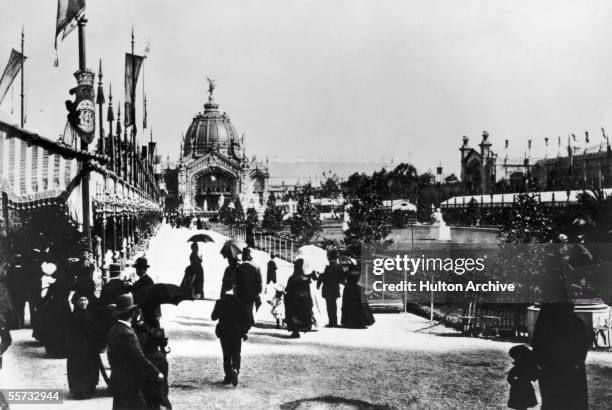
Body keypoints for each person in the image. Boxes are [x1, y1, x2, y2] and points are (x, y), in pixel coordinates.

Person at [107, 293, 164, 410]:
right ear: (132, 314)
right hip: (130, 381)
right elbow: (138, 357)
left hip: (119, 378)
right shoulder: (127, 333)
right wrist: (156, 372)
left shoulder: (115, 329)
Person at [531, 302, 590, 410]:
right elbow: (584, 343)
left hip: (553, 369)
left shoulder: (546, 320)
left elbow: (536, 344)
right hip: (567, 369)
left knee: (554, 401)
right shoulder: (574, 320)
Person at [135, 304, 172, 409]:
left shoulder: (140, 326)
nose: (159, 316)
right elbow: (161, 342)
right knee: (160, 392)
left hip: (149, 360)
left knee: (149, 394)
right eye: (157, 314)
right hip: (156, 360)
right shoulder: (151, 326)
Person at [211, 287, 250, 386]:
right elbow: (246, 320)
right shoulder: (241, 302)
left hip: (224, 332)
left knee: (226, 355)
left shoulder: (220, 302)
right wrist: (244, 332)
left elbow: (213, 317)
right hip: (237, 333)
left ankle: (228, 377)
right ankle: (236, 369)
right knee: (236, 354)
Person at [66, 293, 101, 399]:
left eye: (85, 300)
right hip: (77, 347)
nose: (83, 302)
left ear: (88, 301)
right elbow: (70, 332)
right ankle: (79, 391)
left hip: (90, 347)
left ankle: (89, 389)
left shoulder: (91, 314)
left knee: (90, 367)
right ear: (77, 302)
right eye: (80, 300)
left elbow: (96, 330)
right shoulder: (73, 316)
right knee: (78, 368)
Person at [284, 259, 313, 338]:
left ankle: (295, 331)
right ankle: (301, 328)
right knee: (301, 315)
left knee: (294, 314)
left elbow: (288, 289)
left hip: (294, 299)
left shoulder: (292, 278)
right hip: (304, 299)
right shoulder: (306, 278)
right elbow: (308, 289)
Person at [234, 248, 262, 328]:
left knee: (244, 306)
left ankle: (247, 321)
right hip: (253, 291)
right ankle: (249, 321)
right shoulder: (257, 266)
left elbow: (237, 280)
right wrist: (259, 291)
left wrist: (236, 290)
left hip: (242, 291)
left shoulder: (240, 267)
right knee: (250, 306)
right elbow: (260, 280)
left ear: (244, 256)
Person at [507, 345, 539, 410]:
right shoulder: (526, 366)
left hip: (518, 388)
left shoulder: (517, 367)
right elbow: (534, 377)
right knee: (523, 406)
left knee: (520, 406)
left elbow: (510, 377)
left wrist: (514, 383)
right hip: (525, 387)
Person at [317, 250, 343, 327]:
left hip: (326, 288)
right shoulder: (339, 266)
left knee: (329, 305)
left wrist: (318, 285)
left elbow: (321, 277)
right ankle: (335, 322)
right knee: (334, 305)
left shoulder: (325, 267)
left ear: (329, 257)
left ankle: (331, 322)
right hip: (335, 288)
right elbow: (341, 278)